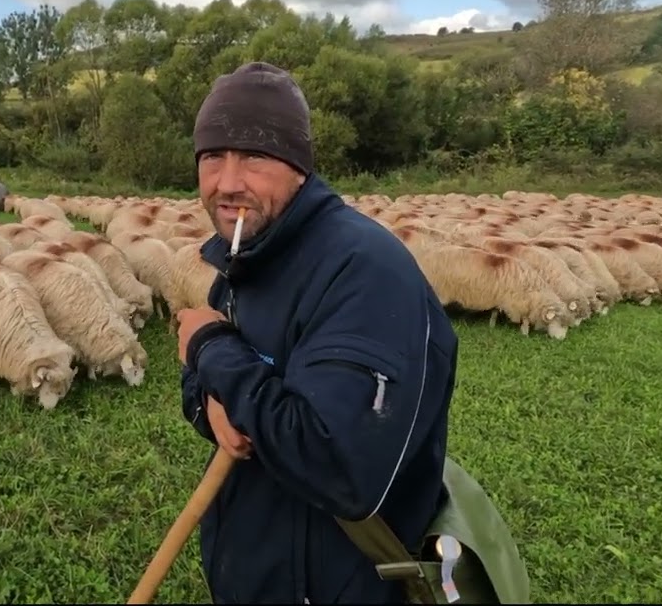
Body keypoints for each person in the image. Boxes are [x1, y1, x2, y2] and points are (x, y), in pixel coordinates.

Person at [175, 61, 460, 604]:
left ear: (298, 166)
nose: (227, 182)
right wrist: (210, 402)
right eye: (213, 156)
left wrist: (210, 349)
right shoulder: (248, 255)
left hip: (334, 584)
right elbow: (209, 386)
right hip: (259, 564)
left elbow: (339, 465)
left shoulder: (364, 272)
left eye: (255, 156)